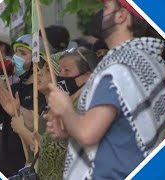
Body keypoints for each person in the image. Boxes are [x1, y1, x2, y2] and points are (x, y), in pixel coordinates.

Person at [46, 0, 165, 179]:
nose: (101, 13)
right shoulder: (153, 66)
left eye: (106, 7)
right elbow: (124, 133)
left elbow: (87, 134)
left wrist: (66, 108)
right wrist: (70, 126)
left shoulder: (119, 70)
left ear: (122, 15)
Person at [10, 47, 99, 180]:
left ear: (87, 75)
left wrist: (23, 131)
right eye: (60, 71)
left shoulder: (86, 107)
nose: (39, 74)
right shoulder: (59, 108)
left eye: (66, 71)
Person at [0, 34, 48, 177]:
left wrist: (16, 109)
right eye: (16, 52)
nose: (16, 57)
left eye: (22, 53)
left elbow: (34, 124)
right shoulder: (14, 87)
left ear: (37, 60)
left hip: (26, 168)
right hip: (5, 164)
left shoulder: (42, 91)